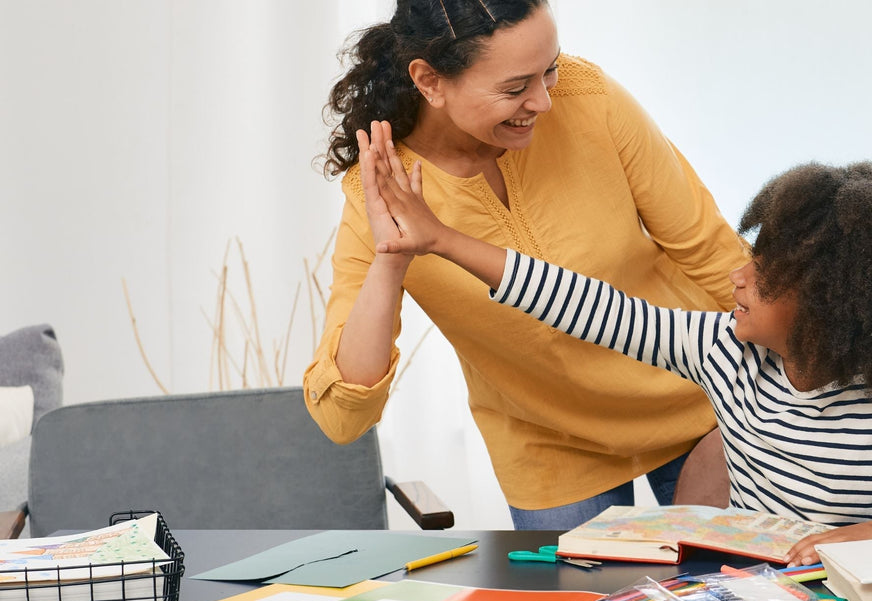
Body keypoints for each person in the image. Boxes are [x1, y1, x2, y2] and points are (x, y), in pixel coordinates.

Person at [361, 145, 872, 565]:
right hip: (755, 595)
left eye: (765, 272)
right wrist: (441, 239)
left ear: (832, 305)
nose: (738, 276)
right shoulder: (725, 352)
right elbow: (589, 305)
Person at [303, 0, 751, 529]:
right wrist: (391, 260)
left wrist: (790, 389)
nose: (543, 101)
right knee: (579, 589)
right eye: (515, 88)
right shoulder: (382, 191)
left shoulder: (588, 98)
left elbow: (711, 251)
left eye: (550, 69)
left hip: (702, 400)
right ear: (429, 81)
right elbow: (342, 417)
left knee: (740, 580)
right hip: (550, 447)